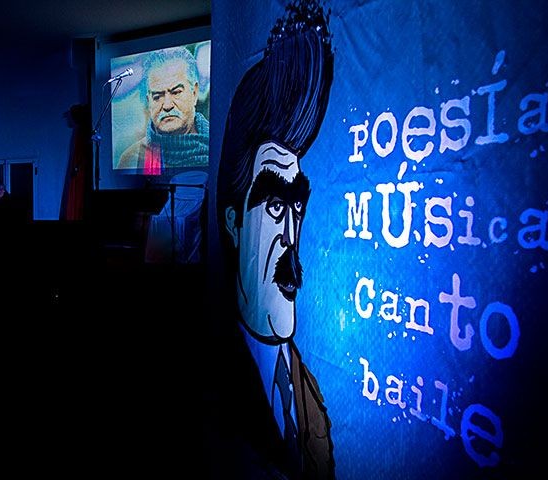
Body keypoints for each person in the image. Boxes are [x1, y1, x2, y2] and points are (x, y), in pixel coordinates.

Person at [215, 0, 335, 478]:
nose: (290, 240)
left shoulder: (309, 395)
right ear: (233, 222)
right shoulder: (218, 373)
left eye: (296, 207)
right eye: (274, 206)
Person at [116, 46, 209, 174]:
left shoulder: (219, 145)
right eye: (157, 96)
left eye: (176, 92)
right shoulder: (133, 158)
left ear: (194, 93)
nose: (167, 105)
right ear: (149, 101)